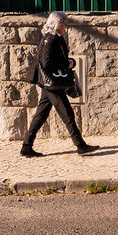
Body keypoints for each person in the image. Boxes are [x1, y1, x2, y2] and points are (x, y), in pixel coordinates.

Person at [21, 10, 97, 157]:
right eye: (64, 24)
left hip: (49, 83)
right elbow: (46, 62)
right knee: (67, 114)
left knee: (41, 115)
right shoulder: (51, 39)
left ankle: (26, 146)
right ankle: (80, 146)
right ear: (58, 24)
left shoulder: (54, 37)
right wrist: (66, 64)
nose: (66, 27)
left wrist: (70, 62)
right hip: (53, 83)